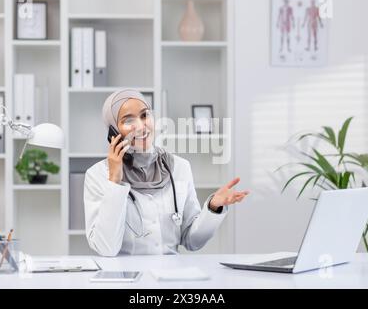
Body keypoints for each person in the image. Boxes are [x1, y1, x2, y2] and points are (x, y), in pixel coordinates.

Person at [84, 89, 249, 256]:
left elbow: (193, 241)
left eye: (144, 115)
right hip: (126, 278)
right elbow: (106, 248)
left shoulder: (179, 167)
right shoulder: (97, 175)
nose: (141, 126)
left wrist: (213, 207)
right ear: (113, 131)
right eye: (128, 120)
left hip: (169, 277)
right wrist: (114, 182)